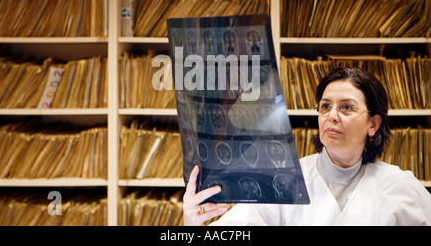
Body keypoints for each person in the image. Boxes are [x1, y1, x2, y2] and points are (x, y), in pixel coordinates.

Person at [183, 67, 431, 225]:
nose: (332, 115)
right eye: (325, 106)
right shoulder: (280, 180)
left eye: (346, 107)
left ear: (373, 124)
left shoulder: (401, 186)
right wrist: (192, 222)